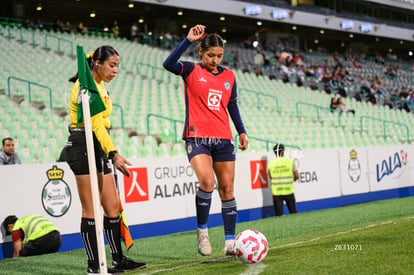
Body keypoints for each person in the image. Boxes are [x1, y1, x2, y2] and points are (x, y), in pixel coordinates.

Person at [163, 24, 249, 256]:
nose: (215, 60)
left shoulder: (230, 76)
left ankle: (230, 242)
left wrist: (241, 130)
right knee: (207, 181)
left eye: (219, 56)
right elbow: (168, 64)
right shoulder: (191, 70)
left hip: (223, 138)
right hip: (197, 136)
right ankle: (202, 234)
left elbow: (232, 104)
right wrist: (187, 41)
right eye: (211, 55)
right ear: (201, 52)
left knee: (227, 188)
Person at [60, 45, 147, 273]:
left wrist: (107, 151)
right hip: (82, 144)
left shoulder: (99, 84)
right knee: (90, 210)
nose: (115, 70)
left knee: (112, 206)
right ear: (98, 64)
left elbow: (101, 125)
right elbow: (96, 124)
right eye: (112, 65)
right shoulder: (85, 87)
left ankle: (118, 260)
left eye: (117, 65)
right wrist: (114, 153)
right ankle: (94, 267)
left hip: (98, 144)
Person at [267, 143, 299, 216]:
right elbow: (297, 175)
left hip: (277, 192)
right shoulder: (290, 161)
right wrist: (293, 180)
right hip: (289, 190)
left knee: (279, 215)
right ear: (283, 152)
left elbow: (270, 177)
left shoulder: (271, 163)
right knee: (293, 213)